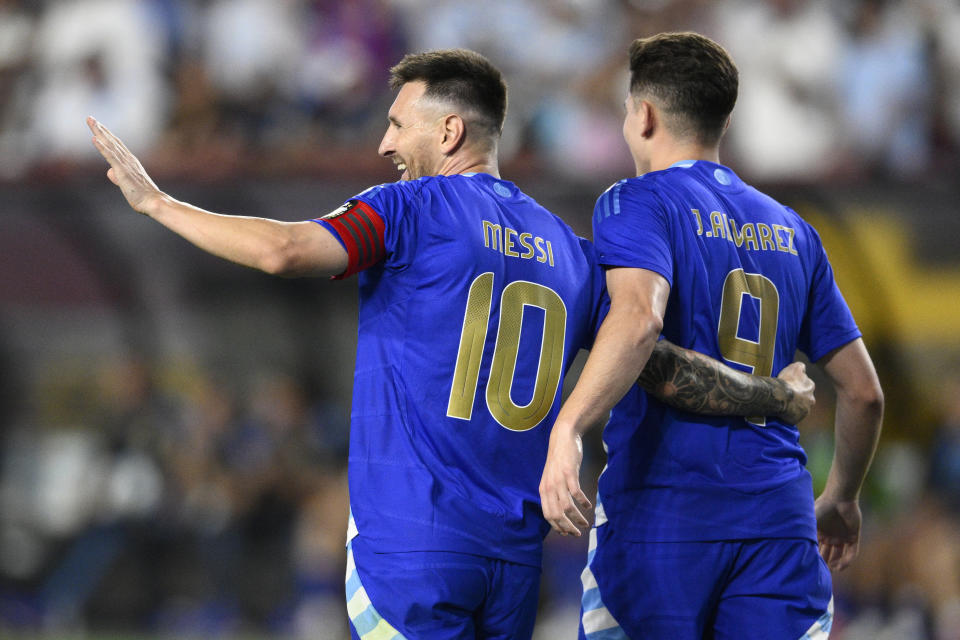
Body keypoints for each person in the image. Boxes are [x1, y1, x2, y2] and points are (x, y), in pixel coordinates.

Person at [89, 48, 816, 639]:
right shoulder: (567, 248)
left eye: (397, 123)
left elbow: (284, 250)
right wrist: (772, 396)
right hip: (513, 564)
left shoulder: (408, 209)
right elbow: (652, 362)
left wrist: (160, 202)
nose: (383, 144)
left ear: (448, 133)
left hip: (412, 547)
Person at [539, 32, 885, 639]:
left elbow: (641, 319)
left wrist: (569, 425)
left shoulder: (636, 202)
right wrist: (842, 499)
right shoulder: (795, 230)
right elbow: (864, 394)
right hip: (778, 522)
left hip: (662, 515)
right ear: (723, 120)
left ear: (642, 115)